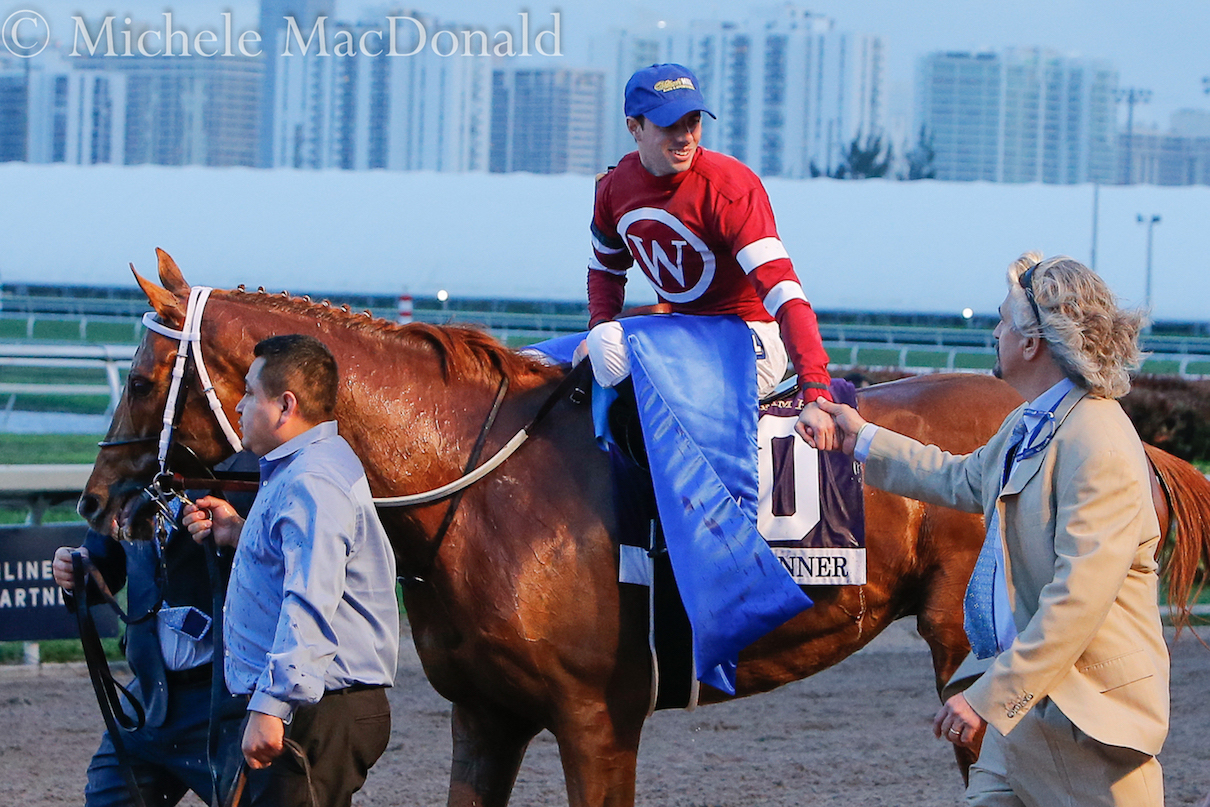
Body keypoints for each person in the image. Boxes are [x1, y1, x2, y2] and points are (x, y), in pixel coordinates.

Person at [821, 253, 1167, 806]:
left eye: (1004, 321)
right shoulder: (1029, 422)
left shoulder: (1099, 443)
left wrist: (989, 696)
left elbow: (1078, 599)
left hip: (1091, 729)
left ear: (1031, 343)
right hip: (1022, 720)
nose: (994, 332)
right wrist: (859, 438)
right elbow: (959, 477)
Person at [183, 334, 399, 807]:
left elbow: (310, 599)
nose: (237, 406)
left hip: (317, 709)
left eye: (248, 393)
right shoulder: (303, 469)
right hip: (314, 704)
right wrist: (240, 534)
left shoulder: (312, 481)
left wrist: (270, 707)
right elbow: (306, 563)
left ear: (285, 406)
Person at [585, 62, 837, 450]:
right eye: (670, 125)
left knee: (613, 351)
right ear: (634, 127)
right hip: (680, 333)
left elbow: (786, 295)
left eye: (693, 121)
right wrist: (598, 323)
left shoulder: (730, 188)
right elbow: (605, 270)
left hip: (751, 336)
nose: (686, 137)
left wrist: (815, 388)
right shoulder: (614, 188)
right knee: (589, 349)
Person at [51, 452, 255, 807]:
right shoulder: (137, 468)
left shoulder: (250, 470)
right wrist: (76, 571)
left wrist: (240, 532)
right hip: (147, 701)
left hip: (231, 707)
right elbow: (102, 561)